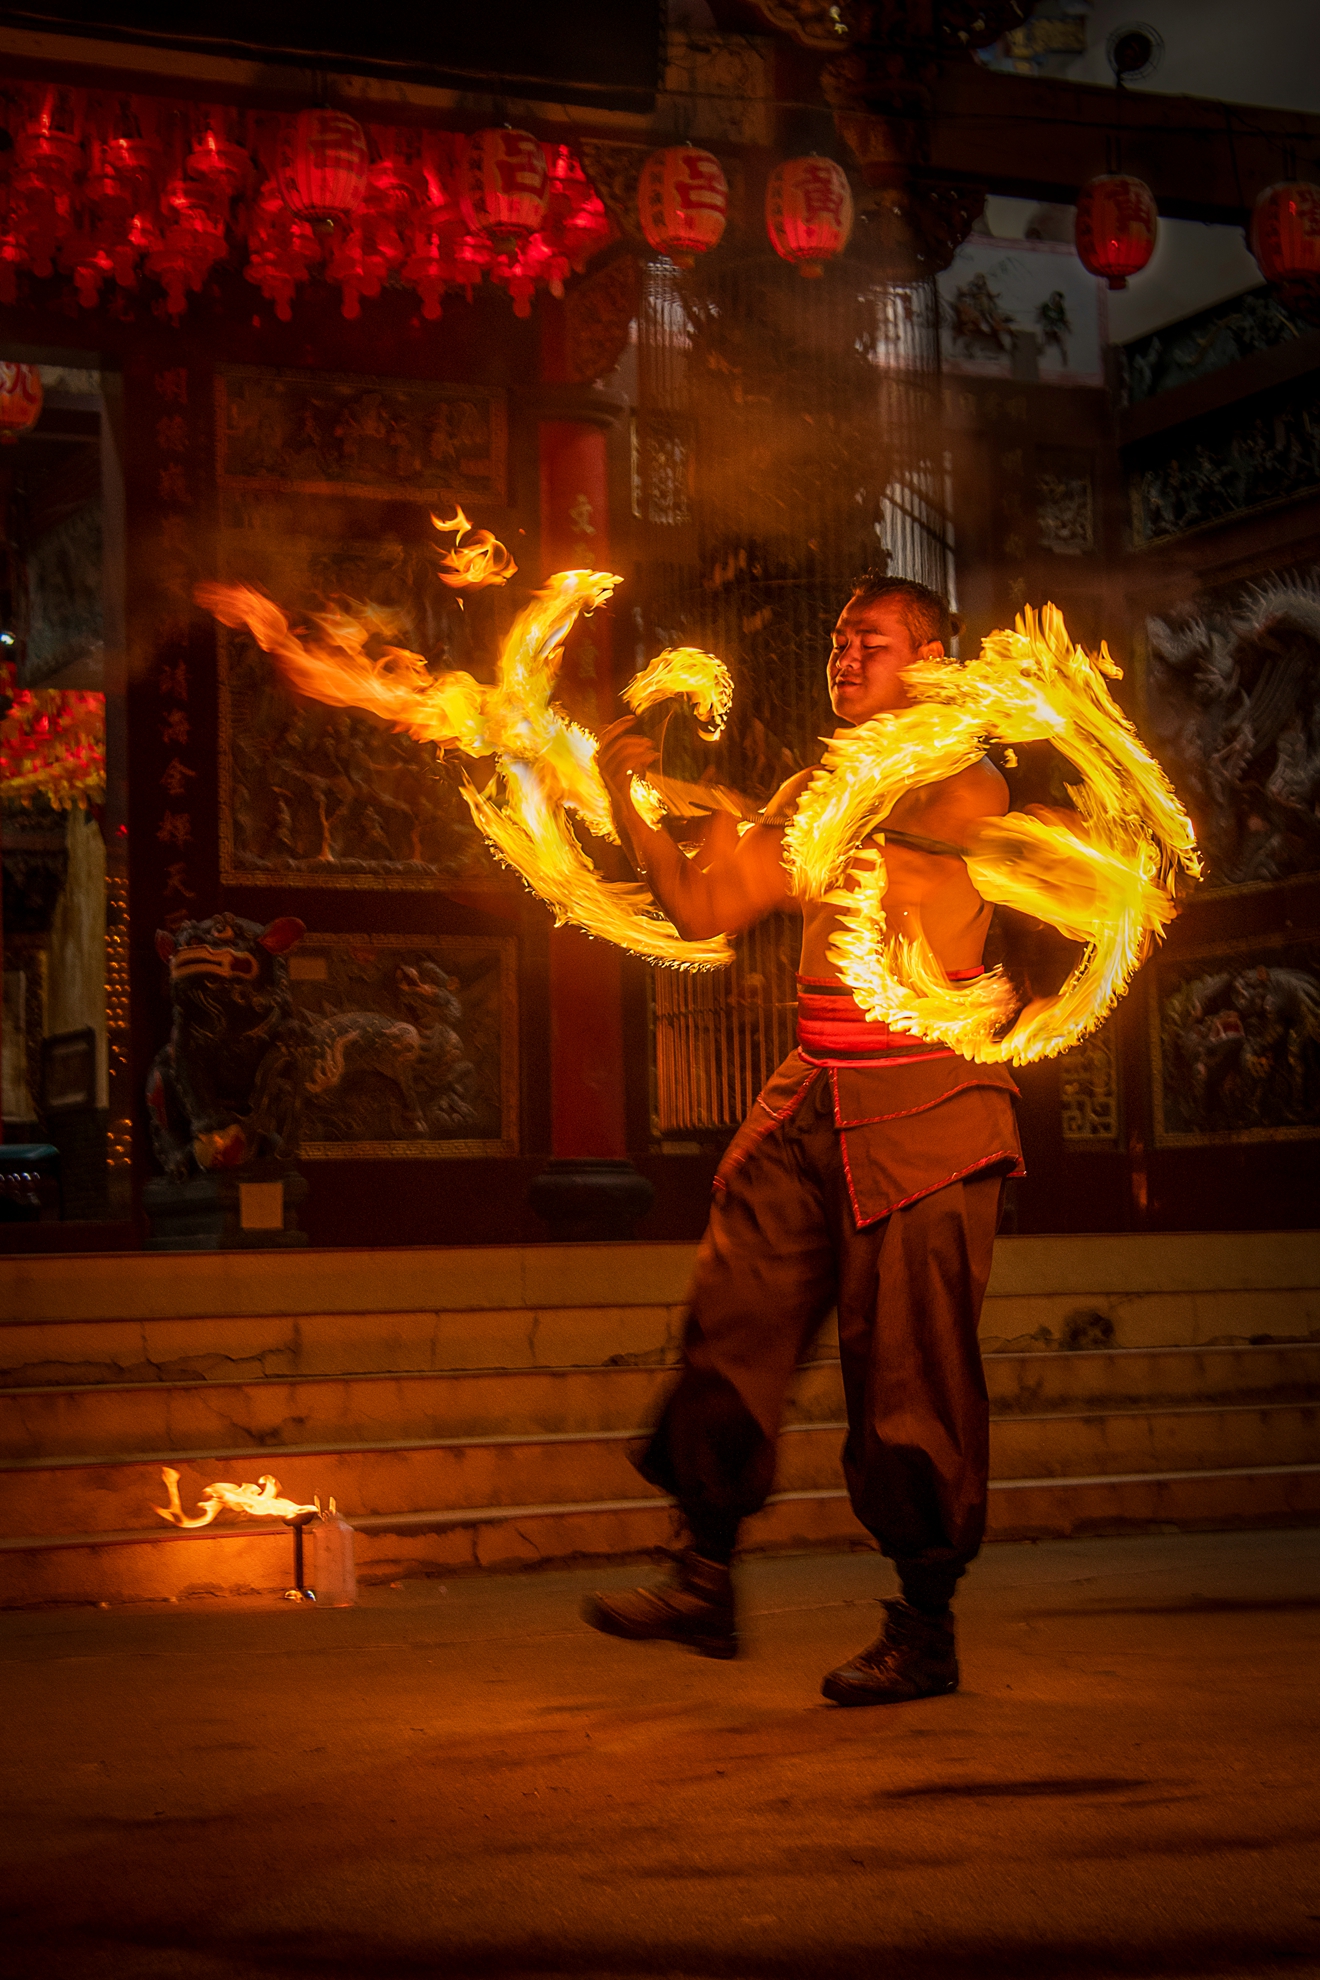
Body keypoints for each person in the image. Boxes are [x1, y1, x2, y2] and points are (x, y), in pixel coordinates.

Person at [582, 574, 1024, 1705]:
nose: (843, 656)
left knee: (910, 1377)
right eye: (837, 640)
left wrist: (831, 807)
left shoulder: (968, 784)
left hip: (925, 1108)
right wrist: (629, 787)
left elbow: (995, 851)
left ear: (925, 662)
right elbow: (703, 908)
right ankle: (702, 1572)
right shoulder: (824, 785)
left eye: (868, 642)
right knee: (733, 1317)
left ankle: (924, 1625)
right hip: (815, 1090)